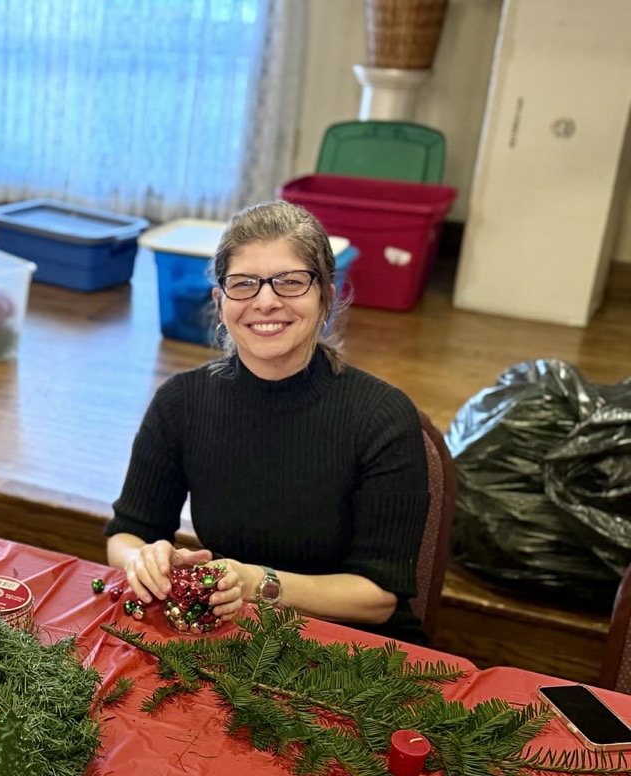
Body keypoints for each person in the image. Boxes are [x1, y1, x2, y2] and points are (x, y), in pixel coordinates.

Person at [106, 200, 428, 643]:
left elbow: (379, 597)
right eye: (243, 285)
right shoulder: (181, 401)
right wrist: (144, 560)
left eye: (290, 282)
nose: (266, 301)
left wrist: (258, 582)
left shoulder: (382, 416)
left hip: (350, 648)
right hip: (233, 633)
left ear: (326, 296)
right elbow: (126, 535)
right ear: (220, 303)